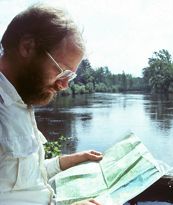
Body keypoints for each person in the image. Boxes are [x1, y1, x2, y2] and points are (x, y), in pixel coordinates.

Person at [0, 5, 102, 205]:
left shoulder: (20, 101)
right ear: (27, 47)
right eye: (62, 72)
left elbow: (18, 181)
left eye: (70, 76)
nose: (64, 85)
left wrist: (67, 161)